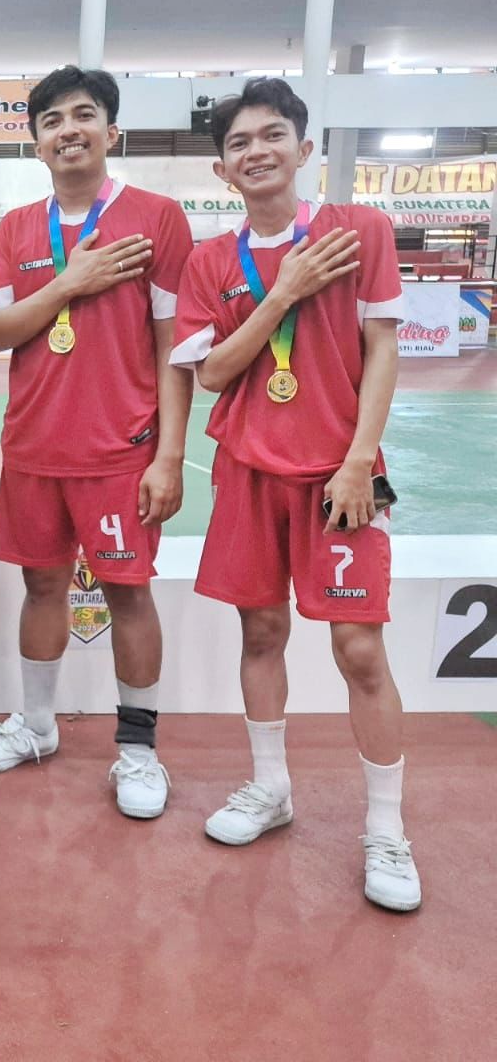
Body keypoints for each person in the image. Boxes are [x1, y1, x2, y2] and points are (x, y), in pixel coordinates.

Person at [171, 78, 421, 911]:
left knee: (359, 650)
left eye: (272, 135)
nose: (257, 151)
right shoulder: (211, 262)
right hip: (248, 471)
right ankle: (271, 788)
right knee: (262, 632)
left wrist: (358, 460)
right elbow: (211, 372)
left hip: (339, 474)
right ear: (222, 169)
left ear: (305, 148)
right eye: (239, 143)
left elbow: (383, 349)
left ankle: (386, 829)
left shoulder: (360, 231)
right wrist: (281, 291)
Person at [0, 66, 192, 820]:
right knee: (41, 586)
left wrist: (167, 454)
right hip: (34, 447)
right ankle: (37, 725)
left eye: (84, 114)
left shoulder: (157, 217)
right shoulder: (16, 228)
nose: (69, 130)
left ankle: (139, 749)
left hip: (119, 450)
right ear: (37, 143)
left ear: (111, 131)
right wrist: (70, 282)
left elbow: (173, 344)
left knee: (129, 592)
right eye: (52, 120)